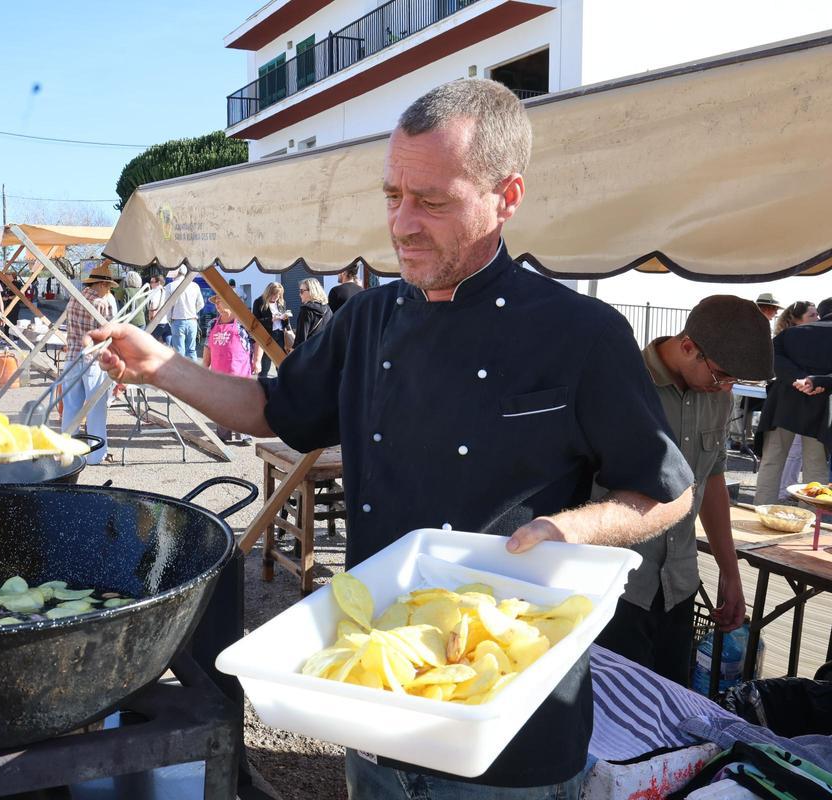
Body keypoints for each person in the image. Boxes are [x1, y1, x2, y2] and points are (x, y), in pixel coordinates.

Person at [90, 78, 694, 799]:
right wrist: (160, 364)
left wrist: (572, 528)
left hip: (512, 721)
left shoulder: (582, 334)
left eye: (432, 202)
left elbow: (667, 492)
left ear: (508, 196)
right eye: (392, 196)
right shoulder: (367, 318)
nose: (402, 223)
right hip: (378, 702)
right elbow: (270, 409)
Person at [595, 295, 770, 685]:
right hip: (616, 584)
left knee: (674, 701)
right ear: (688, 346)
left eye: (734, 381)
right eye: (721, 375)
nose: (726, 389)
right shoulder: (620, 382)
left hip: (679, 581)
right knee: (618, 711)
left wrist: (729, 568)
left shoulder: (718, 397)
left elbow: (712, 478)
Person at [754, 297, 832, 505]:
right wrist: (817, 381)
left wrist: (798, 378)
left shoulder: (790, 333)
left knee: (772, 461)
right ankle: (813, 522)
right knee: (815, 467)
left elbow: (770, 357)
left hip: (783, 403)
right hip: (819, 406)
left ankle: (760, 512)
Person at [62, 263, 119, 465]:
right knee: (96, 408)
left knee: (70, 408)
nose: (109, 290)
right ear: (102, 284)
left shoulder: (75, 299)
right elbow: (112, 332)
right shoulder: (103, 303)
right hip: (93, 359)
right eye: (109, 286)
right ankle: (97, 455)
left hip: (71, 357)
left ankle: (67, 453)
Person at [771, 301, 820, 495]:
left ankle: (787, 489)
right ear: (796, 319)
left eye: (817, 314)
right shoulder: (787, 341)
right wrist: (805, 380)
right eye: (812, 315)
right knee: (791, 451)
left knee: (797, 452)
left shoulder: (805, 339)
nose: (817, 318)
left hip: (805, 401)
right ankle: (785, 490)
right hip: (791, 403)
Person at [203, 293, 257, 444]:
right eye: (216, 302)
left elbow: (258, 341)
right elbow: (207, 346)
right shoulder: (213, 324)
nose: (217, 305)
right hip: (219, 371)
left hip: (239, 370)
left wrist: (257, 360)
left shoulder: (243, 322)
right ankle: (223, 434)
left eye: (220, 301)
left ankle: (244, 435)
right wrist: (204, 366)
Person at [251, 282, 290, 375]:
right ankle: (263, 387)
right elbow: (255, 322)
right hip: (266, 336)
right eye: (275, 295)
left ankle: (281, 387)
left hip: (280, 335)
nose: (277, 297)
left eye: (279, 295)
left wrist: (285, 317)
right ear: (269, 293)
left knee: (281, 364)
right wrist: (271, 319)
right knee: (265, 365)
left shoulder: (281, 302)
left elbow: (285, 322)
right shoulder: (259, 302)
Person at [166, 270, 205, 360]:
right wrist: (193, 311)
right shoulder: (195, 286)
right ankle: (194, 372)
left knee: (179, 352)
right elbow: (201, 304)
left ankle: (181, 373)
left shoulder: (170, 286)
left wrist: (169, 319)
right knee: (191, 350)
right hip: (192, 320)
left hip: (177, 320)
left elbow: (167, 307)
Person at [293, 279, 332, 348]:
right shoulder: (328, 309)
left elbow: (300, 339)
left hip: (310, 352)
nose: (299, 294)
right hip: (326, 351)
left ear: (311, 291)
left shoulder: (306, 310)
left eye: (301, 291)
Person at [146, 273, 172, 344]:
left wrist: (151, 320)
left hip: (157, 323)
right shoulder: (166, 290)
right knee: (168, 346)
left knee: (152, 345)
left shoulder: (154, 292)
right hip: (167, 323)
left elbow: (153, 306)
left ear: (158, 283)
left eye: (152, 282)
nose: (150, 284)